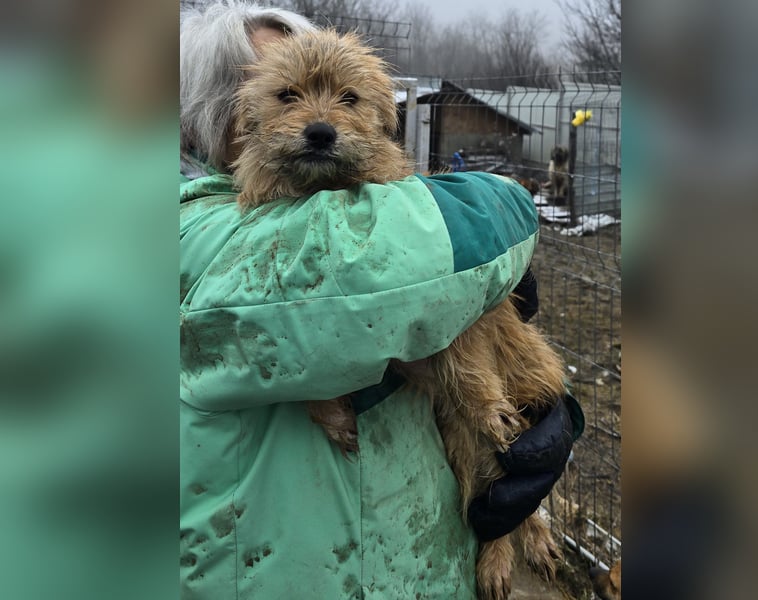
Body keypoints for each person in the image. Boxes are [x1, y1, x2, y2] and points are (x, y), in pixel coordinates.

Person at [179, 2, 582, 598]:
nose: (319, 119)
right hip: (277, 571)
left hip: (416, 553)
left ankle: (509, 532)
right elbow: (376, 272)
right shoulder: (191, 225)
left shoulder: (382, 187)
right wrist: (498, 220)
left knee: (509, 421)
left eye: (347, 99)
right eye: (286, 94)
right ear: (224, 110)